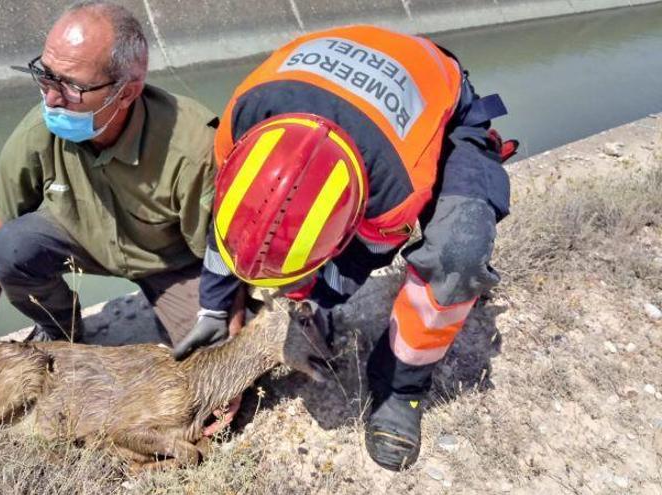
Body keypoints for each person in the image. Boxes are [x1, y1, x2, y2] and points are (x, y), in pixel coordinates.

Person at [172, 25, 518, 470]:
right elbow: (231, 222)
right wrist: (214, 307)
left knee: (460, 250)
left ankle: (402, 386)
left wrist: (311, 302)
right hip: (341, 75)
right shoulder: (243, 119)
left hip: (432, 99)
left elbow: (354, 263)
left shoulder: (396, 189)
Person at [0, 1, 224, 394]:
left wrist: (221, 322)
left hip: (169, 262)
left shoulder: (194, 147)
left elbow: (223, 251)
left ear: (127, 91)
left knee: (211, 371)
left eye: (72, 86)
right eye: (46, 77)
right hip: (83, 242)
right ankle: (61, 327)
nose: (51, 99)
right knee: (9, 247)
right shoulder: (37, 132)